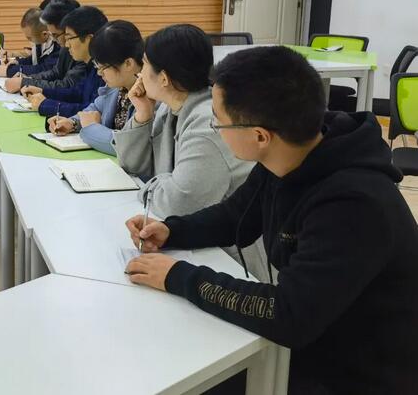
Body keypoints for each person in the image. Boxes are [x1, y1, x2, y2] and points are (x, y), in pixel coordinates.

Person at [124, 46, 418, 394]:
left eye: (219, 121)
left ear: (260, 136)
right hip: (317, 336)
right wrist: (173, 230)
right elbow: (236, 215)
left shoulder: (354, 204)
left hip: (358, 370)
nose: (215, 128)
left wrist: (179, 276)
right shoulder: (290, 152)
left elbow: (289, 314)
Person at [112, 24, 267, 280]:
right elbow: (132, 166)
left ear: (163, 78)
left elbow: (179, 203)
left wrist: (153, 185)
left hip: (232, 259)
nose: (140, 73)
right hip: (194, 240)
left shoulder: (208, 123)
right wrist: (142, 113)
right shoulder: (169, 107)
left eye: (145, 64)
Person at [47, 20, 142, 155]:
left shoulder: (150, 96)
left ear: (128, 64)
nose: (99, 73)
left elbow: (129, 146)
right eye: (98, 67)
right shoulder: (117, 87)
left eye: (103, 67)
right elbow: (95, 109)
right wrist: (72, 123)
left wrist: (91, 128)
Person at [20, 6, 107, 118]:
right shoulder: (91, 65)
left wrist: (45, 105)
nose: (66, 44)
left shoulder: (104, 70)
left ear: (89, 39)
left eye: (70, 38)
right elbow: (77, 93)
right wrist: (43, 91)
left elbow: (91, 110)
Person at [2, 0, 86, 93]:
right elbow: (56, 72)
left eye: (55, 35)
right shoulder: (65, 45)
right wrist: (29, 79)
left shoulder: (82, 53)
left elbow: (67, 86)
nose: (53, 39)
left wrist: (25, 82)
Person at [0, 5, 59, 78]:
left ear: (44, 34)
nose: (28, 40)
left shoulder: (58, 47)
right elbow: (33, 60)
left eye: (30, 38)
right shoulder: (42, 41)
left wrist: (9, 71)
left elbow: (42, 69)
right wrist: (17, 62)